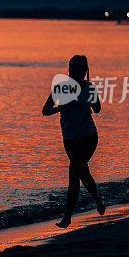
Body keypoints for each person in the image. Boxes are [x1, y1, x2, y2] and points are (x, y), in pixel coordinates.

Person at [42, 55, 105, 228]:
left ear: (85, 71)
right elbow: (45, 110)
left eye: (77, 67)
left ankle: (67, 217)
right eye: (70, 66)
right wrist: (60, 108)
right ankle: (98, 199)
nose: (72, 70)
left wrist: (92, 99)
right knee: (83, 173)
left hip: (88, 137)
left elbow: (97, 109)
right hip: (69, 140)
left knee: (74, 172)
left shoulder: (90, 87)